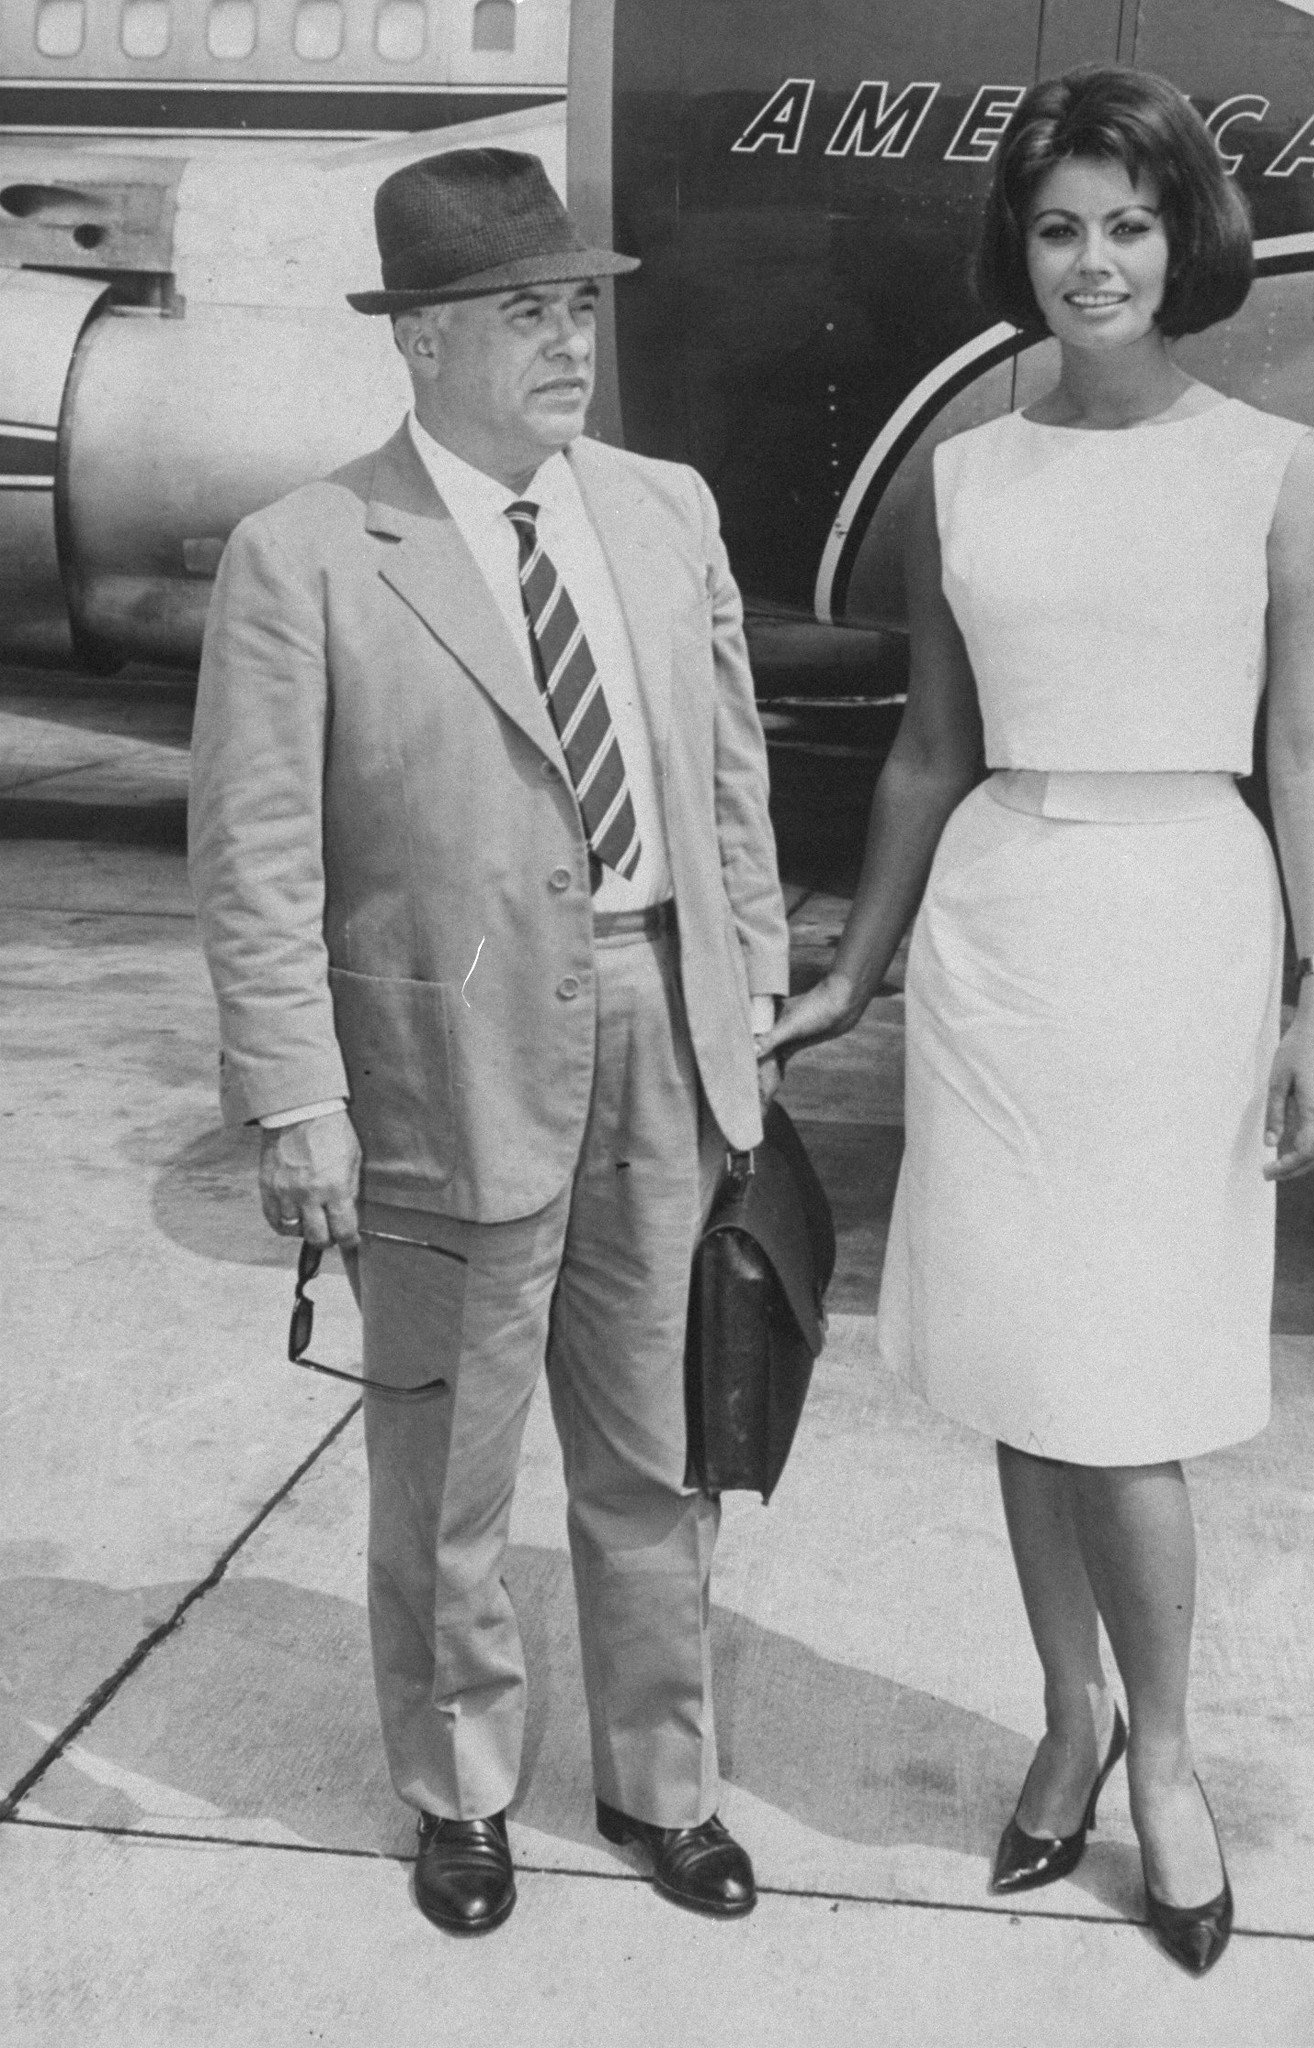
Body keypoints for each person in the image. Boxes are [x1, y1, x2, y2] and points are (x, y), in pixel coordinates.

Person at [761, 67, 1314, 1976]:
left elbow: (1310, 751)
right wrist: (857, 965)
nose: (1094, 261)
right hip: (1001, 932)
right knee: (1024, 1364)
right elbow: (933, 748)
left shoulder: (1278, 467)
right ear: (1016, 251)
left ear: (1186, 240)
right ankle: (1069, 1716)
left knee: (1135, 1391)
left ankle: (1168, 1760)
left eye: (1127, 222)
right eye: (1057, 227)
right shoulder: (970, 471)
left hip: (1183, 921)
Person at [189, 149, 789, 1935]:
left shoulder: (667, 508)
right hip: (434, 1074)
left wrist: (743, 980)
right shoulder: (302, 555)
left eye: (580, 307)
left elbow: (729, 771)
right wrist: (297, 1100)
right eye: (526, 313)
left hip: (660, 1031)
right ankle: (460, 1794)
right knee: (448, 1475)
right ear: (423, 342)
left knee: (661, 1452)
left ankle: (660, 1787)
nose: (569, 343)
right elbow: (257, 858)